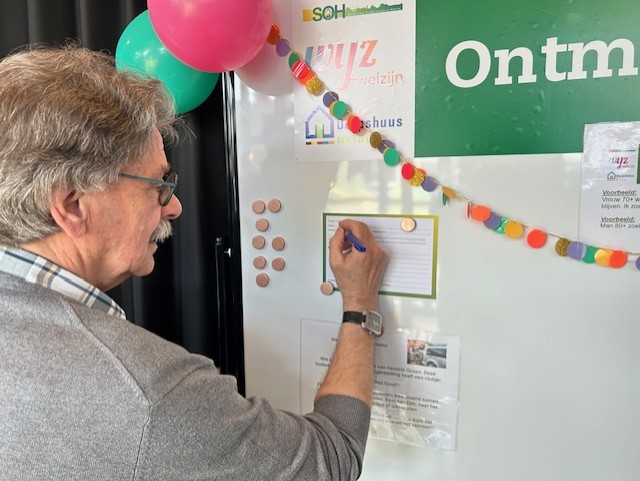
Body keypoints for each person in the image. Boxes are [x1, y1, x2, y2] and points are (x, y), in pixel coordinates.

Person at [0, 44, 389, 480]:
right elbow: (331, 460)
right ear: (72, 205)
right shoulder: (148, 391)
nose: (175, 207)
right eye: (156, 184)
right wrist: (360, 305)